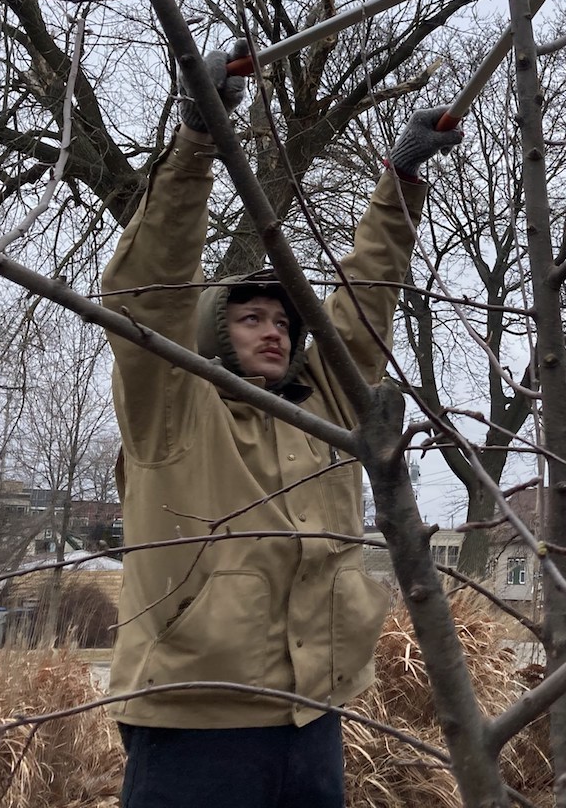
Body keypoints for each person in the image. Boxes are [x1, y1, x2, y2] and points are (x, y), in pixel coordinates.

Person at [100, 46, 461, 808]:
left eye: (283, 321)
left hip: (313, 718)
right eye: (249, 317)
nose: (274, 331)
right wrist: (200, 139)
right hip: (194, 721)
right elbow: (146, 289)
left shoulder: (325, 411)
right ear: (204, 331)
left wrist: (400, 182)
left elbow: (364, 303)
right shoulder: (170, 405)